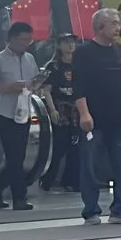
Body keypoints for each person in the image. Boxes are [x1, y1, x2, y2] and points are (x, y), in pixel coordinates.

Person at [74, 9, 121, 224]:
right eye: (114, 23)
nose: (118, 28)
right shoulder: (84, 52)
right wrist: (84, 113)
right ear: (100, 27)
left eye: (119, 23)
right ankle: (91, 210)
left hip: (119, 116)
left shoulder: (119, 50)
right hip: (94, 118)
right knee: (90, 165)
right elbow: (78, 85)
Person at [0, 20, 41, 211]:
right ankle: (19, 197)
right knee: (14, 157)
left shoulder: (30, 58)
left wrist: (38, 84)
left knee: (18, 157)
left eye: (29, 40)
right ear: (12, 38)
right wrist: (9, 87)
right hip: (6, 114)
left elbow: (34, 81)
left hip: (25, 111)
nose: (26, 43)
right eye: (23, 40)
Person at [38, 31, 80, 192]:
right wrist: (52, 110)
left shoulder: (79, 64)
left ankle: (71, 181)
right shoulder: (53, 66)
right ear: (59, 45)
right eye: (67, 42)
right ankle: (47, 179)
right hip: (60, 108)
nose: (71, 45)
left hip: (76, 109)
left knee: (75, 147)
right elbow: (46, 90)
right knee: (58, 146)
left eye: (72, 42)